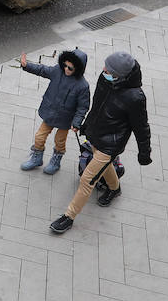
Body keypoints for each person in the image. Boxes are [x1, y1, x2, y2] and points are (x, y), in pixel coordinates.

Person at [50, 50, 151, 234]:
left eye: (109, 69)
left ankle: (69, 217)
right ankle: (114, 188)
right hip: (96, 134)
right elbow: (97, 105)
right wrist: (86, 125)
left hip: (110, 144)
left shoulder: (136, 98)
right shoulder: (105, 78)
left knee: (87, 178)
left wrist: (144, 153)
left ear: (120, 76)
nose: (104, 70)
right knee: (103, 164)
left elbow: (142, 127)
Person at [18, 49, 90, 175]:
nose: (66, 69)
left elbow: (83, 107)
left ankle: (56, 161)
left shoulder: (82, 86)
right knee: (39, 136)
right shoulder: (58, 71)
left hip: (65, 119)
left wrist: (77, 122)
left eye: (70, 68)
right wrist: (26, 65)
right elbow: (43, 70)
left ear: (78, 69)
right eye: (65, 65)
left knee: (60, 141)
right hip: (50, 112)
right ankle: (37, 158)